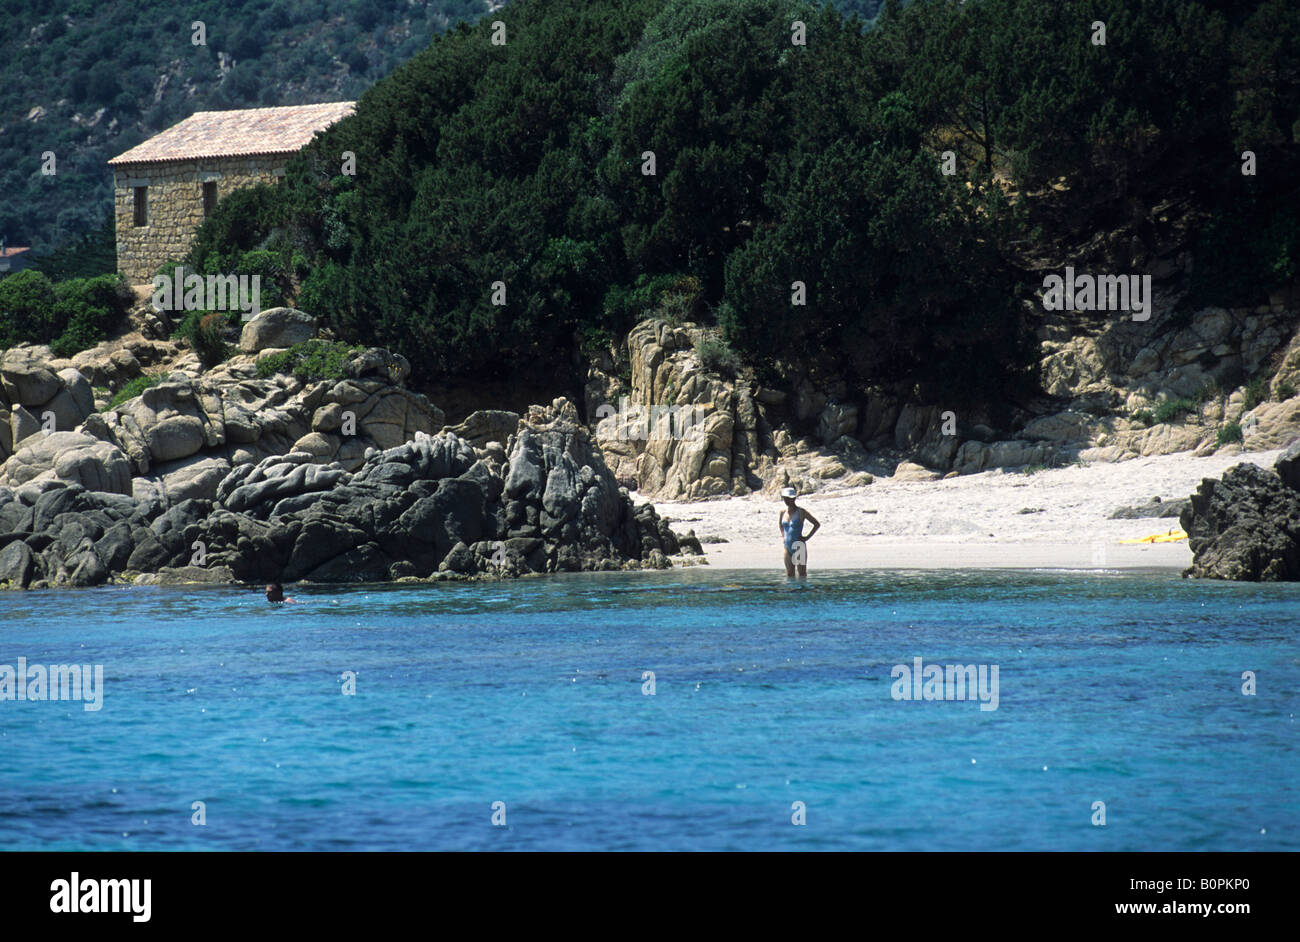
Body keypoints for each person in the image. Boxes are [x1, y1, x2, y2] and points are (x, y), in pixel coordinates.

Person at [779, 486, 819, 580]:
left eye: (790, 499)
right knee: (789, 574)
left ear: (794, 499)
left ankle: (802, 593)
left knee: (802, 575)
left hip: (799, 547)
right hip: (787, 547)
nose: (788, 501)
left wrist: (806, 538)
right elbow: (781, 525)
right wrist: (783, 536)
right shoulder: (782, 512)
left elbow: (816, 524)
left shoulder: (801, 512)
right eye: (786, 499)